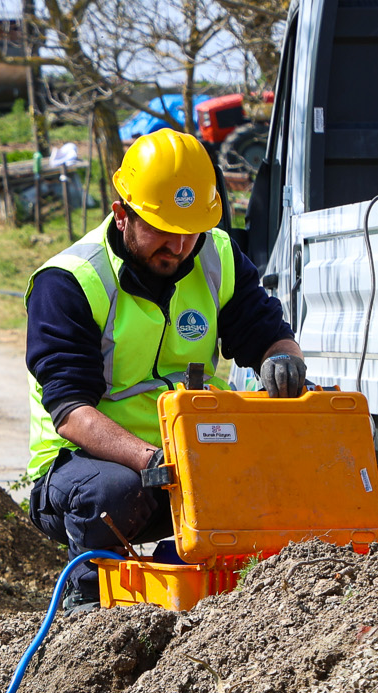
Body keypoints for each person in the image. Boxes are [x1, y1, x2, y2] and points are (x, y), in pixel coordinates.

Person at [26, 127, 306, 604]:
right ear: (122, 215)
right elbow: (71, 410)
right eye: (162, 231)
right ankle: (90, 602)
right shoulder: (68, 282)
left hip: (189, 457)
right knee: (114, 493)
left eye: (189, 233)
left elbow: (267, 332)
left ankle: (207, 586)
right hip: (85, 470)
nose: (177, 249)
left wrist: (283, 360)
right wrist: (154, 461)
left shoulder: (216, 255)